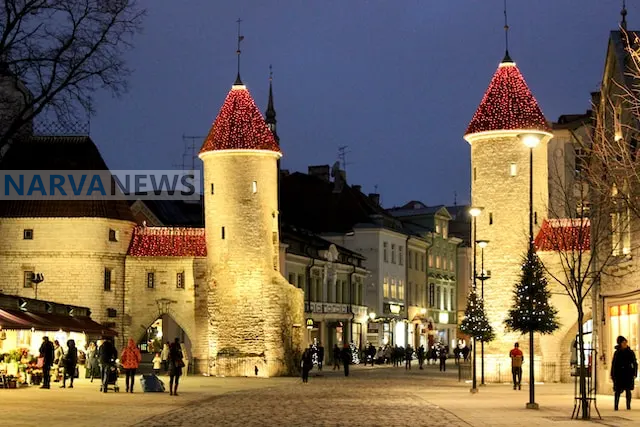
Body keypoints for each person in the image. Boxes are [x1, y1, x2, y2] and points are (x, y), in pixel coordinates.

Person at [611, 335, 638, 410]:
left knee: (628, 390)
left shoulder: (630, 352)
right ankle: (616, 405)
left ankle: (628, 405)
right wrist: (613, 374)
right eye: (623, 342)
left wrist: (635, 373)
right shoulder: (617, 353)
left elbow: (635, 363)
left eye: (625, 342)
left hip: (628, 373)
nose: (625, 344)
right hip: (619, 374)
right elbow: (614, 364)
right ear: (620, 343)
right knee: (617, 390)